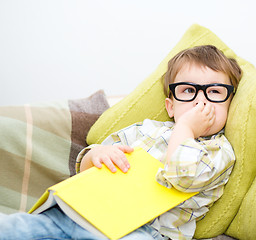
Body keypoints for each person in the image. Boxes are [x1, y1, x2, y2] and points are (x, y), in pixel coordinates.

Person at [0, 45, 242, 240]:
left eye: (215, 92)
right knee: (14, 227)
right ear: (170, 106)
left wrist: (186, 128)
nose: (201, 102)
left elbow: (183, 176)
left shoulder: (219, 151)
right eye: (188, 91)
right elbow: (88, 161)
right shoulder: (147, 129)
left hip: (140, 230)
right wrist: (97, 155)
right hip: (79, 213)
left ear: (231, 103)